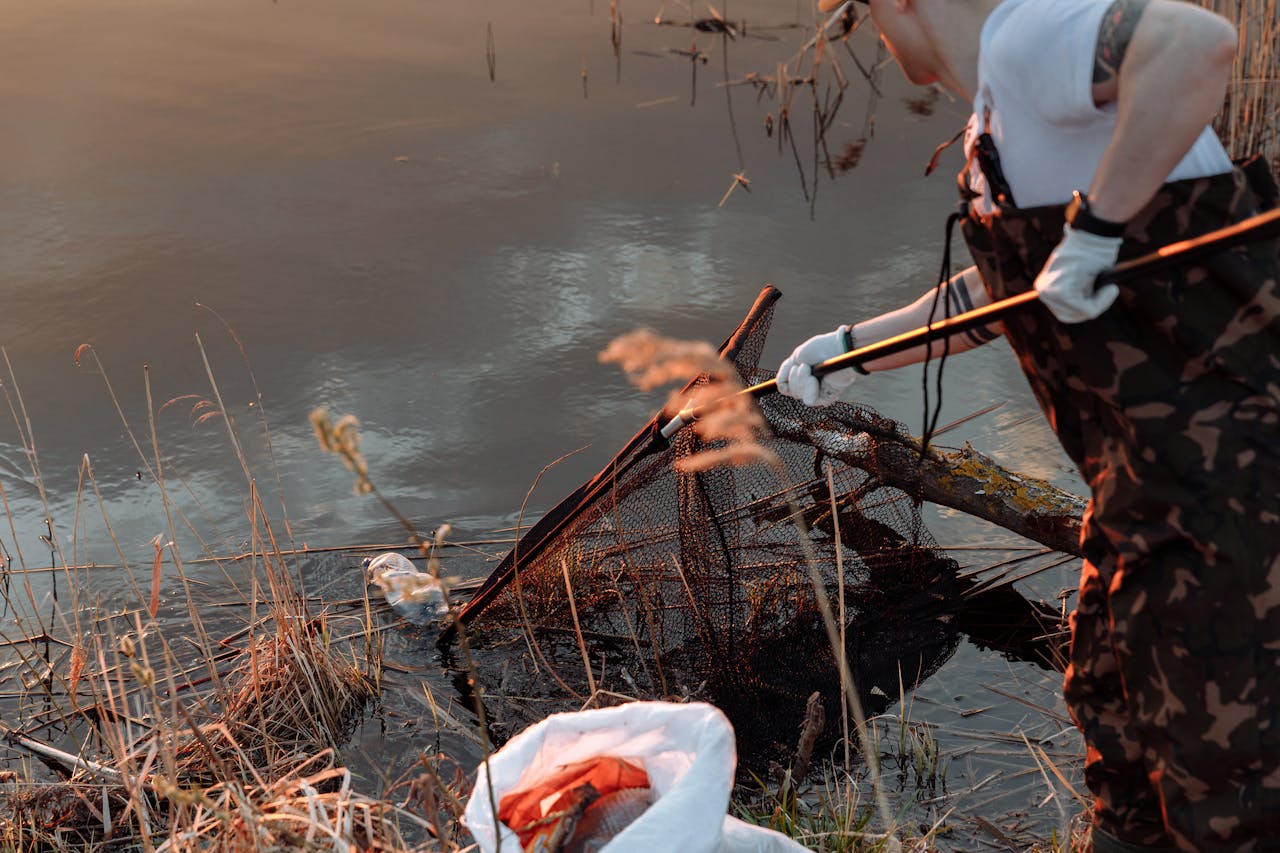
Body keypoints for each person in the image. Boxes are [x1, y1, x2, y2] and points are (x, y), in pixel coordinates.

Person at [774, 0, 1280, 850]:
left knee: (1228, 790)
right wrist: (848, 352)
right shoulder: (993, 122)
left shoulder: (1027, 34)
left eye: (862, 12)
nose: (874, 37)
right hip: (1142, 488)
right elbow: (997, 299)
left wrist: (1098, 229)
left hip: (1234, 490)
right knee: (1114, 725)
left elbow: (1199, 42)